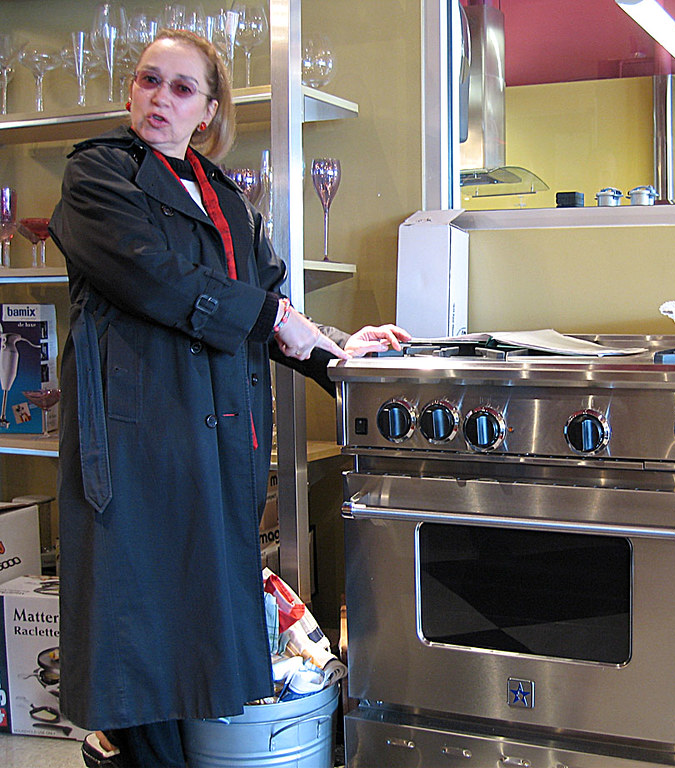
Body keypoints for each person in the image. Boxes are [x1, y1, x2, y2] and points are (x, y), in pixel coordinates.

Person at [48, 29, 410, 768]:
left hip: (214, 449)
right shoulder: (97, 176)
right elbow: (160, 280)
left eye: (182, 88)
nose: (160, 98)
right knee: (141, 638)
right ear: (131, 90)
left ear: (209, 111)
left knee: (196, 635)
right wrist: (276, 318)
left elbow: (268, 308)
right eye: (149, 80)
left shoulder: (228, 202)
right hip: (135, 446)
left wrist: (342, 353)